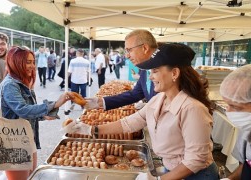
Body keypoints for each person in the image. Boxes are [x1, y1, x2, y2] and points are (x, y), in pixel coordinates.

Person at [66, 43, 219, 180]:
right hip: (172, 169)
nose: (150, 76)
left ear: (174, 73)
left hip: (196, 175)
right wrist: (90, 130)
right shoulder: (158, 100)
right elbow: (129, 123)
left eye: (155, 71)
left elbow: (196, 159)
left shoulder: (192, 109)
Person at [0, 46, 71, 180]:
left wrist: (43, 115)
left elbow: (28, 110)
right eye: (27, 62)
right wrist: (54, 104)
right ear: (15, 63)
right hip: (13, 143)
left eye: (33, 62)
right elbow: (23, 110)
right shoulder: (10, 84)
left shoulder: (23, 83)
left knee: (30, 176)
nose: (32, 66)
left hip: (26, 138)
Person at [85, 30, 157, 110]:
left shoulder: (167, 70)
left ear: (145, 48)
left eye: (129, 50)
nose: (127, 56)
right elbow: (135, 94)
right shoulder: (145, 69)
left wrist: (149, 107)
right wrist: (102, 101)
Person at [219, 64, 251, 180]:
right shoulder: (247, 130)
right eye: (227, 105)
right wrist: (230, 178)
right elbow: (248, 163)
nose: (229, 111)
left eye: (236, 107)